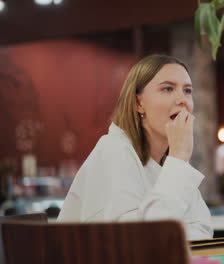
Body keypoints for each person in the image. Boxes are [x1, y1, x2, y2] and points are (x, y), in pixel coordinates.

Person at [57, 54, 213, 240]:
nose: (182, 99)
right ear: (139, 103)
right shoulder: (113, 151)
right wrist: (179, 158)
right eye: (168, 89)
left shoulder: (169, 166)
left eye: (187, 90)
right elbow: (138, 243)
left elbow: (201, 228)